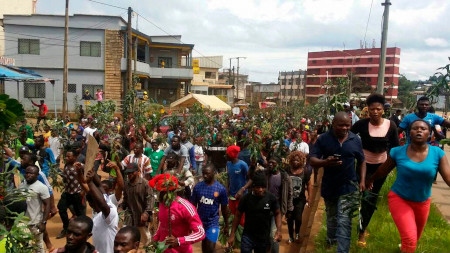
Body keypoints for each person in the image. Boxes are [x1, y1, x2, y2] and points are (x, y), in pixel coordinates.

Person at [367, 119, 450, 253]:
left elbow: (448, 177)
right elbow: (383, 170)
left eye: (423, 129)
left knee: (414, 238)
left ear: (430, 134)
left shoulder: (437, 153)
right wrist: (370, 180)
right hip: (400, 199)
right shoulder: (397, 152)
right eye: (415, 128)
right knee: (410, 240)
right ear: (408, 133)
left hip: (423, 202)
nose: (419, 131)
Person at [310, 111, 366, 252]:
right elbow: (312, 159)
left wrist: (362, 180)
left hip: (349, 187)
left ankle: (342, 250)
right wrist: (325, 162)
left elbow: (362, 161)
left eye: (347, 125)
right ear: (333, 124)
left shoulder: (355, 140)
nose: (345, 128)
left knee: (344, 220)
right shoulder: (323, 139)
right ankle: (331, 241)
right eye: (341, 125)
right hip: (330, 186)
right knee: (332, 217)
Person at [350, 93, 399, 247]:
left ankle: (363, 228)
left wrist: (390, 165)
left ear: (383, 110)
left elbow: (395, 147)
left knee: (371, 198)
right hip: (364, 165)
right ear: (368, 110)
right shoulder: (361, 124)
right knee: (364, 195)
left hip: (382, 167)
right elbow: (349, 137)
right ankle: (361, 228)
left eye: (378, 109)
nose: (375, 112)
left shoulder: (391, 126)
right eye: (372, 109)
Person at [227, 171, 282, 253]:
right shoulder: (246, 199)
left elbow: (277, 213)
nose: (260, 190)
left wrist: (279, 230)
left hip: (263, 238)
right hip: (248, 236)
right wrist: (232, 234)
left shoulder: (271, 198)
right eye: (258, 187)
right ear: (253, 187)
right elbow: (238, 215)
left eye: (263, 187)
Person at [150, 173, 205, 253]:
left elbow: (200, 233)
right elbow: (162, 224)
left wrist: (179, 241)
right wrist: (155, 239)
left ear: (171, 192)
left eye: (161, 192)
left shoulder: (185, 207)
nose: (159, 196)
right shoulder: (162, 203)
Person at [190, 164, 229, 253]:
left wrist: (226, 225)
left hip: (213, 223)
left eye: (207, 173)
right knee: (204, 248)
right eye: (203, 173)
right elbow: (192, 205)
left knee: (210, 249)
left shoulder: (220, 189)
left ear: (214, 173)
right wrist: (191, 222)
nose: (205, 176)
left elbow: (224, 208)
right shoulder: (198, 187)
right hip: (200, 223)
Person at [78, 168, 119, 253]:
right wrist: (92, 173)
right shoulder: (98, 216)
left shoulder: (111, 213)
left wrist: (90, 182)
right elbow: (100, 186)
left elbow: (102, 203)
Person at [19, 165, 50, 253]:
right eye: (27, 173)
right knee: (25, 246)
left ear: (37, 175)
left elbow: (47, 205)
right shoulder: (22, 185)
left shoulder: (41, 187)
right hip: (22, 222)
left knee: (38, 246)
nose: (28, 175)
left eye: (31, 173)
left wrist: (43, 222)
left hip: (35, 222)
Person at [122, 163, 154, 247]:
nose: (129, 174)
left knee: (146, 240)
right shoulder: (126, 184)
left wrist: (146, 213)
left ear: (137, 172)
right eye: (128, 173)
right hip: (130, 215)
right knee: (129, 237)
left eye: (131, 172)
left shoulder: (145, 183)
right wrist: (122, 207)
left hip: (141, 216)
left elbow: (150, 199)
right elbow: (125, 198)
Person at [266, 156, 293, 251]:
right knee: (266, 232)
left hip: (277, 209)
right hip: (265, 207)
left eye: (273, 163)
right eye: (269, 162)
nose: (270, 164)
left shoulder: (285, 177)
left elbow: (290, 194)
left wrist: (289, 209)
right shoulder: (265, 174)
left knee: (274, 233)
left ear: (278, 164)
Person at [56, 149, 85, 239]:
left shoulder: (80, 166)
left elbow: (86, 179)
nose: (66, 158)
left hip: (77, 193)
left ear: (75, 157)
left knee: (80, 213)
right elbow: (66, 178)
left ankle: (83, 230)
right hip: (68, 192)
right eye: (66, 156)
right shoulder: (66, 165)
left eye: (69, 156)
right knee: (61, 207)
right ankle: (66, 227)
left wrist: (83, 192)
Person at [286, 151, 312, 244]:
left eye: (297, 160)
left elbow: (309, 184)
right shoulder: (287, 170)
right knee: (289, 218)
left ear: (301, 160)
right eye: (293, 159)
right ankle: (290, 236)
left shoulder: (305, 171)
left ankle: (297, 233)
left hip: (300, 199)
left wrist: (309, 197)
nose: (295, 161)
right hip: (289, 199)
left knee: (298, 218)